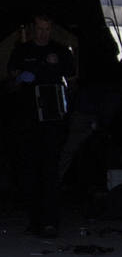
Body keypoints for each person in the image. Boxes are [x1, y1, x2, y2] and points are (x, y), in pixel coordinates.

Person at [7, 14, 76, 236]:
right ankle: (35, 220)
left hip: (52, 117)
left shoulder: (61, 51)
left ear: (51, 29)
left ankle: (50, 221)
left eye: (47, 29)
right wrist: (18, 79)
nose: (43, 33)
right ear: (33, 29)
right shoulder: (22, 51)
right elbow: (12, 79)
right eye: (39, 29)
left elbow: (71, 78)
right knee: (30, 170)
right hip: (28, 118)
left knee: (50, 170)